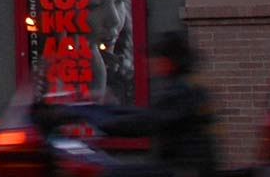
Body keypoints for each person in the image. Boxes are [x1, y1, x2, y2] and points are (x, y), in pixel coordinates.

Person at [78, 32, 219, 177]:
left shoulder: (182, 92)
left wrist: (94, 118)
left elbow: (144, 122)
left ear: (168, 61)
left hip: (183, 170)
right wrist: (99, 109)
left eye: (155, 57)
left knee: (106, 172)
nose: (150, 62)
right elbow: (147, 114)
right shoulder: (188, 86)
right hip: (184, 168)